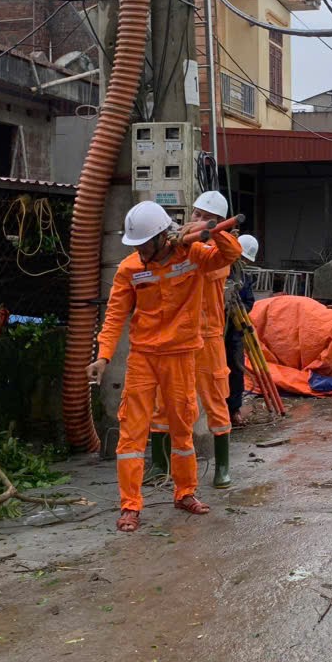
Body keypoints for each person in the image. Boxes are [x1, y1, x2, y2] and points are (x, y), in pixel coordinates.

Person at [87, 200, 242, 532]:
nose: (140, 249)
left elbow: (228, 256)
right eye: (136, 244)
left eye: (144, 243)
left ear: (161, 237)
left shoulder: (192, 257)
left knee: (182, 428)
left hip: (182, 355)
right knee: (131, 432)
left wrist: (208, 234)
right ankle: (130, 505)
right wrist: (103, 355)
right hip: (143, 358)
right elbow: (114, 316)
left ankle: (185, 493)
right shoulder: (130, 269)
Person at [190, 191, 241, 488]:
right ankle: (161, 465)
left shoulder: (217, 252)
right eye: (194, 214)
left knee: (214, 400)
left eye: (202, 216)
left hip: (208, 336)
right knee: (164, 403)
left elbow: (227, 255)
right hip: (180, 335)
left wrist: (211, 234)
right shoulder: (186, 245)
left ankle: (222, 467)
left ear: (218, 223)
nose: (195, 220)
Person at [223, 234, 259, 427]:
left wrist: (237, 312)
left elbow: (249, 302)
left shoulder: (244, 277)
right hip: (215, 329)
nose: (241, 263)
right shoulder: (218, 268)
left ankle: (233, 409)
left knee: (235, 369)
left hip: (235, 329)